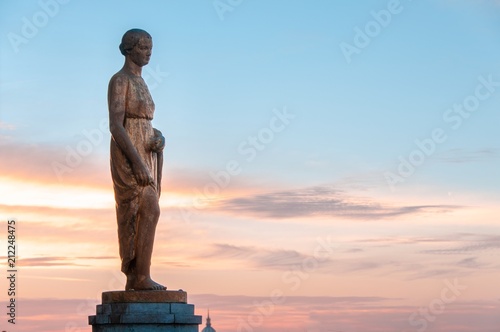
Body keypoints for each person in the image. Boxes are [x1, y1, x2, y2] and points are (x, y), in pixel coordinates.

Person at [108, 28, 166, 291]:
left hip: (146, 150)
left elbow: (147, 125)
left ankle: (138, 276)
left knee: (148, 211)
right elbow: (116, 125)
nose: (148, 52)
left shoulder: (142, 82)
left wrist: (159, 138)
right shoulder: (120, 80)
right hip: (129, 153)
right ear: (129, 49)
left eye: (150, 48)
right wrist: (137, 162)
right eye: (143, 48)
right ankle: (140, 276)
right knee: (142, 209)